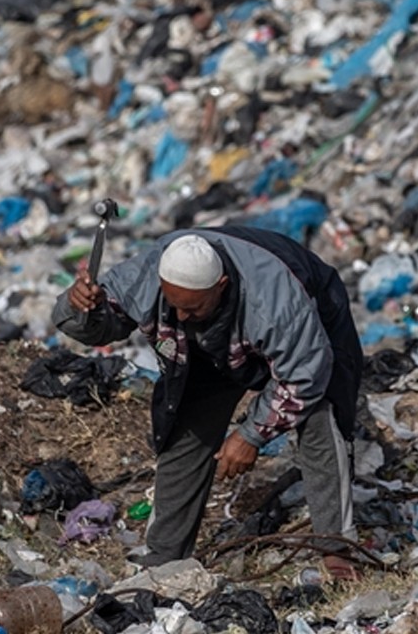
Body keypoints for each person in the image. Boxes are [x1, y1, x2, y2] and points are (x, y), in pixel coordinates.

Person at [52, 225, 364, 580]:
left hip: (313, 325)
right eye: (175, 306)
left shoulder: (276, 304)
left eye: (193, 307)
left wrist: (251, 435)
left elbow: (304, 376)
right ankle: (166, 553)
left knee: (320, 416)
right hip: (217, 344)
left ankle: (337, 548)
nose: (181, 316)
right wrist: (80, 308)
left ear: (221, 287)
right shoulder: (147, 276)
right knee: (185, 420)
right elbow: (101, 327)